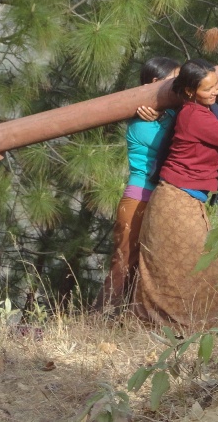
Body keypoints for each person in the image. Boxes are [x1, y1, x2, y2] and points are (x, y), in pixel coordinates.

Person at [132, 59, 218, 329]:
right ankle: (174, 328)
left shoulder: (208, 111)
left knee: (204, 267)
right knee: (189, 267)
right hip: (175, 201)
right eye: (207, 89)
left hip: (186, 200)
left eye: (216, 86)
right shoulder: (193, 115)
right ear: (189, 92)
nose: (214, 92)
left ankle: (192, 328)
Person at [95, 56, 180, 312]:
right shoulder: (140, 123)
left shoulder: (169, 114)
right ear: (155, 83)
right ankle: (103, 316)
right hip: (139, 198)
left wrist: (165, 113)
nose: (179, 86)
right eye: (174, 80)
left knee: (149, 265)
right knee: (124, 261)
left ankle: (133, 319)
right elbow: (173, 144)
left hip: (159, 197)